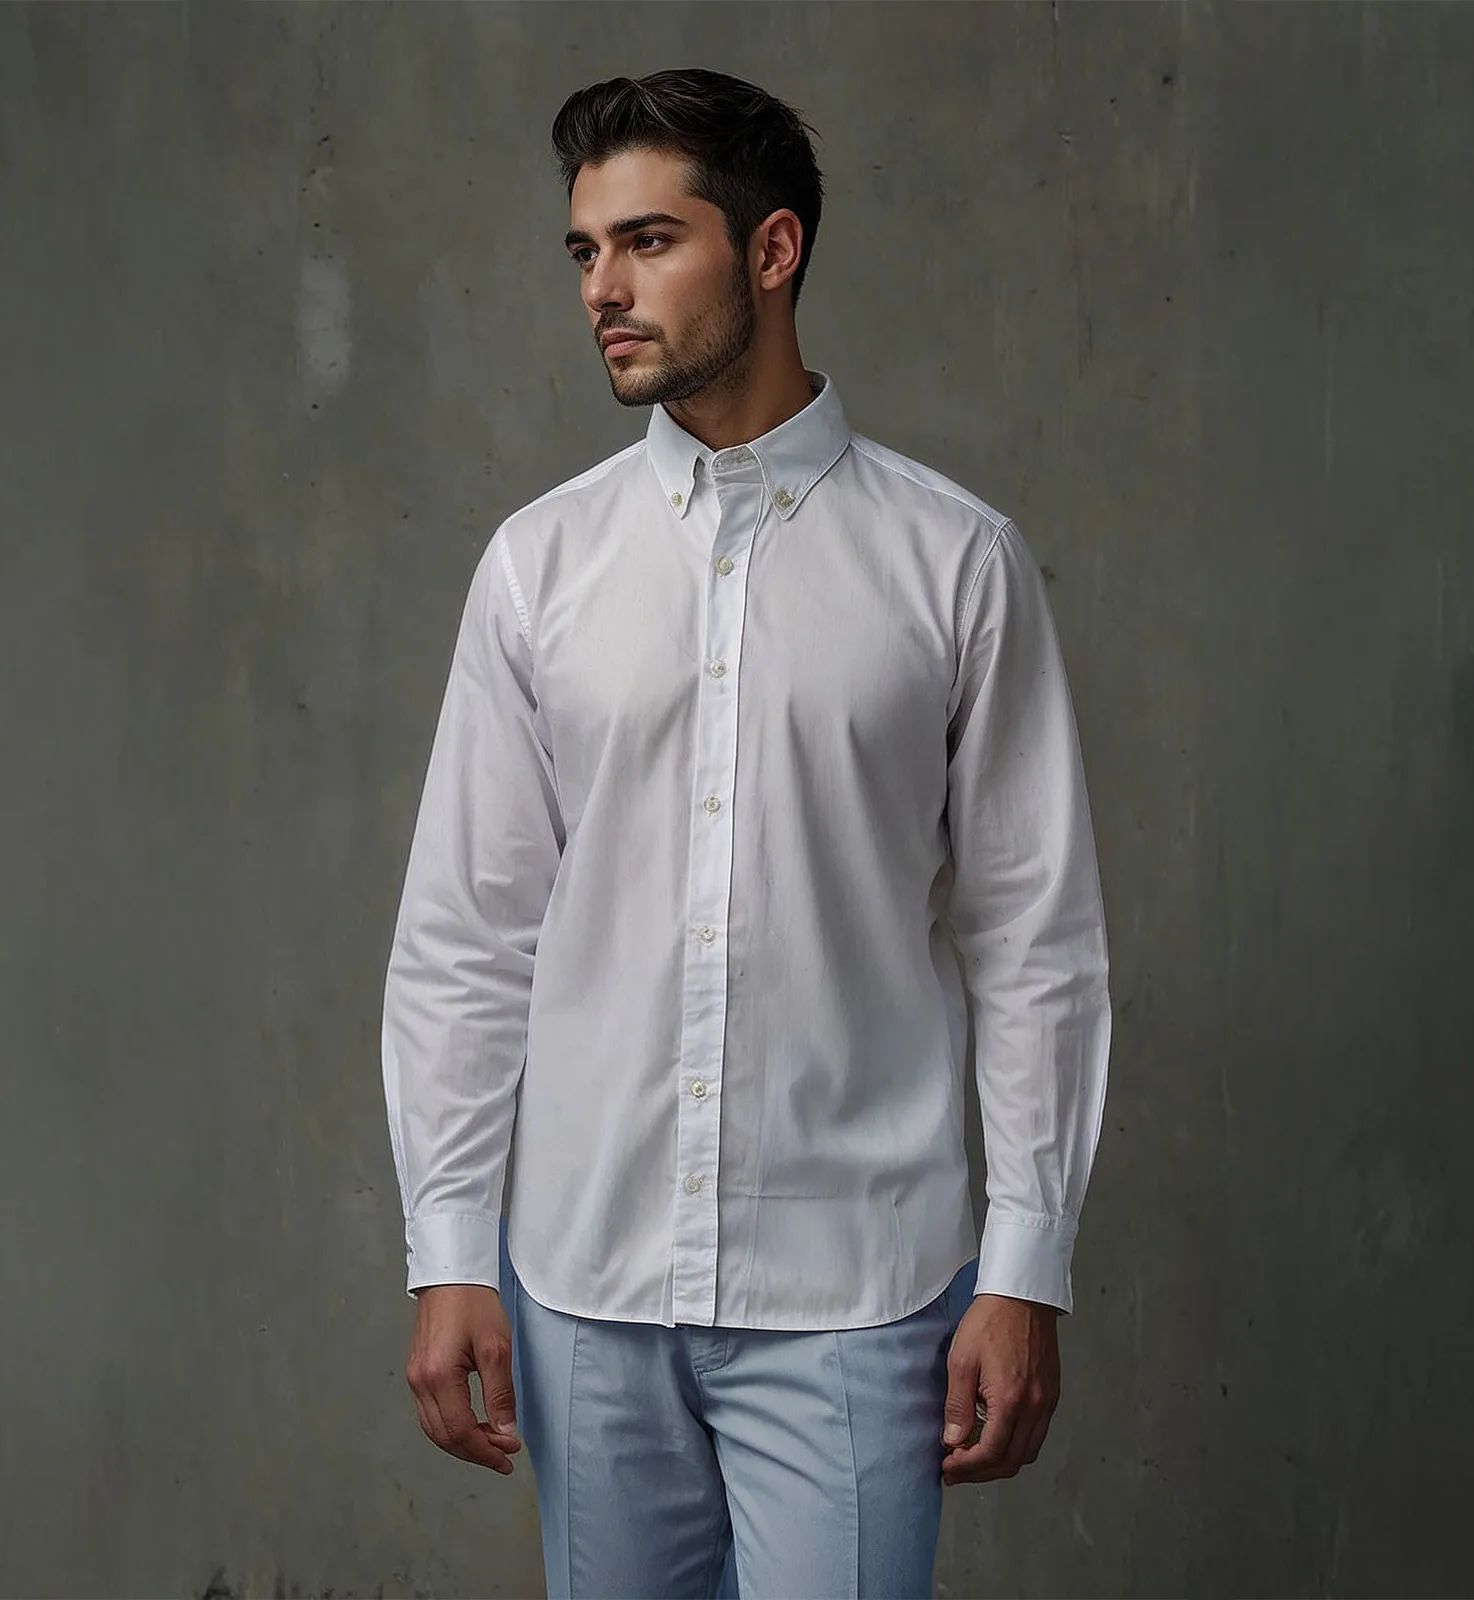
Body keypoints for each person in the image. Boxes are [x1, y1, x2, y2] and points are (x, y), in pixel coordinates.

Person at [381, 67, 1112, 1600]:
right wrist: (449, 1247)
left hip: (857, 1289)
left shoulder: (955, 563)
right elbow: (469, 933)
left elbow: (1034, 940)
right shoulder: (538, 568)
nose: (604, 289)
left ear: (772, 251)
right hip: (583, 1283)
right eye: (585, 252)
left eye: (649, 241)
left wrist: (1025, 1266)